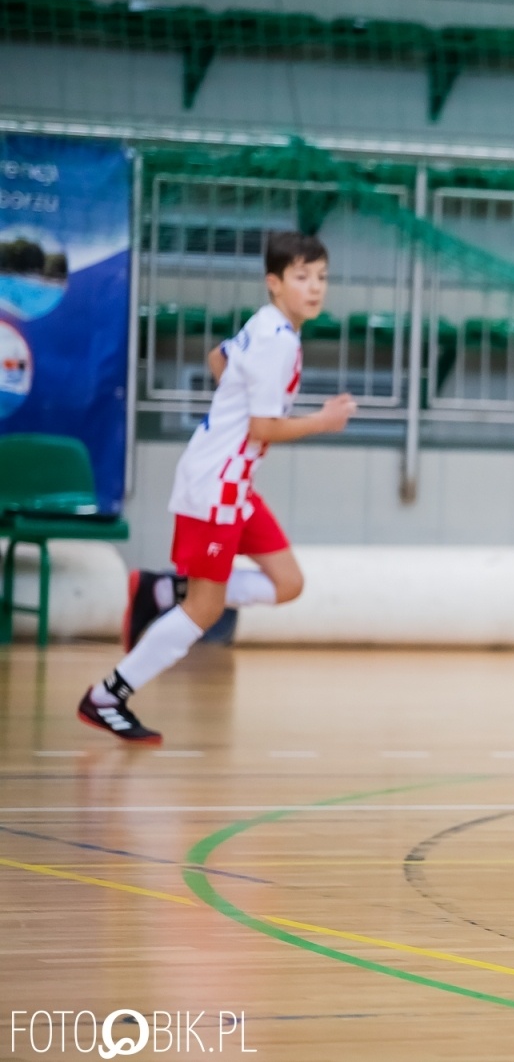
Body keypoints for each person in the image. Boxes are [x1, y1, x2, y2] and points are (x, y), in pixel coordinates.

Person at [79, 231, 356, 744]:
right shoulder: (277, 341)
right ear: (274, 283)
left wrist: (231, 406)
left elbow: (217, 359)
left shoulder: (266, 323)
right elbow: (263, 428)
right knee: (205, 610)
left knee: (288, 583)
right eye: (301, 277)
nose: (315, 287)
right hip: (218, 484)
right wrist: (322, 421)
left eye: (321, 277)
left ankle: (165, 589)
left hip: (233, 481)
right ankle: (108, 695)